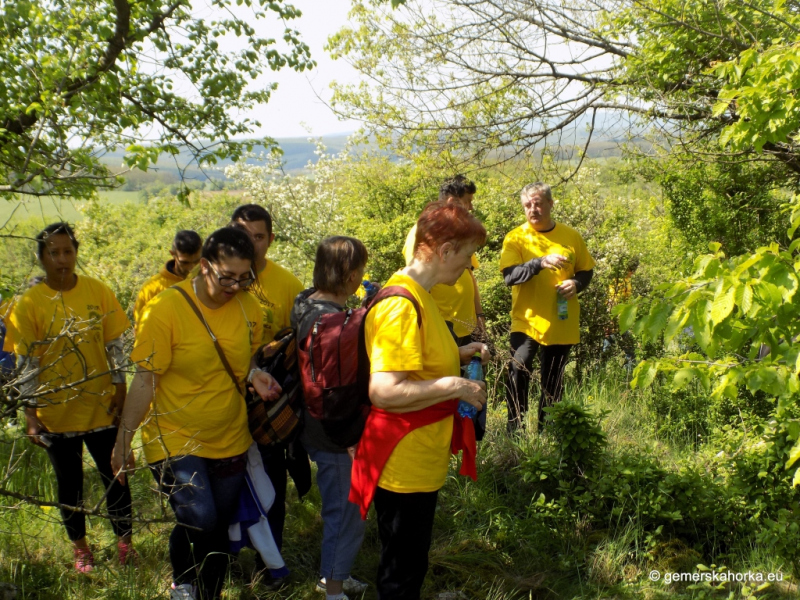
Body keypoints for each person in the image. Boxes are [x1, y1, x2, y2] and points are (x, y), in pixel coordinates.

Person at [112, 227, 281, 600]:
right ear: (204, 266)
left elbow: (243, 359)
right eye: (226, 277)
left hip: (230, 434)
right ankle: (183, 582)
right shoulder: (166, 308)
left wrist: (255, 374)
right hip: (173, 434)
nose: (234, 286)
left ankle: (209, 592)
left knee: (218, 523)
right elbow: (145, 380)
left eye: (244, 278)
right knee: (200, 517)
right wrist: (123, 439)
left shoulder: (249, 309)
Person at [350, 201, 489, 600]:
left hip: (416, 454)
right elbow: (385, 390)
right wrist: (457, 387)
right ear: (445, 251)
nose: (468, 266)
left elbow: (419, 360)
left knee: (410, 561)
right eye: (466, 256)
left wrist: (461, 355)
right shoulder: (401, 304)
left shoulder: (422, 296)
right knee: (402, 570)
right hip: (402, 462)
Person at [7, 222, 134, 573]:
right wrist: (31, 414)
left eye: (68, 251)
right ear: (42, 257)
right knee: (70, 484)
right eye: (54, 252)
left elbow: (115, 347)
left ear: (76, 252)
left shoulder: (98, 291)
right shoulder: (29, 303)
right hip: (56, 412)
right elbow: (28, 362)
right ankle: (81, 549)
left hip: (102, 405)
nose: (62, 259)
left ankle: (125, 545)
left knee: (117, 477)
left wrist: (120, 389)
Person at [291, 236, 370, 600]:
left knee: (341, 509)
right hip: (335, 436)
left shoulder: (305, 303)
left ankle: (337, 572)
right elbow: (334, 395)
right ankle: (334, 588)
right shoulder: (333, 322)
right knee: (345, 513)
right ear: (351, 275)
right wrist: (350, 439)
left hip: (312, 426)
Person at [230, 204, 308, 568]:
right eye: (243, 235)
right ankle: (225, 557)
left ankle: (270, 562)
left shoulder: (287, 284)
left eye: (258, 236)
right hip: (224, 403)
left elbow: (298, 345)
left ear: (270, 240)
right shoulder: (222, 283)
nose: (251, 243)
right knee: (226, 485)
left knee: (273, 484)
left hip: (271, 407)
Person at [499, 182, 595, 431]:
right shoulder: (516, 237)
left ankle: (547, 432)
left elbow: (586, 270)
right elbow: (510, 276)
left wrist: (576, 283)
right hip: (526, 320)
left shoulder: (570, 236)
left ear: (551, 204)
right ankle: (515, 428)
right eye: (528, 205)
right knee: (518, 368)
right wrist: (539, 262)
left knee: (553, 380)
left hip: (561, 321)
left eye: (538, 203)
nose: (533, 209)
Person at [402, 175, 485, 345]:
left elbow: (470, 274)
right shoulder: (423, 235)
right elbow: (419, 280)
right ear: (452, 201)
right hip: (443, 325)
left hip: (465, 325)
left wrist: (478, 315)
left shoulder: (459, 237)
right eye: (468, 201)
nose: (471, 207)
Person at [132, 230, 203, 330]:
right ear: (172, 254)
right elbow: (142, 328)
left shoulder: (209, 282)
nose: (191, 268)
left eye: (196, 261)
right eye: (185, 263)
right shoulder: (152, 289)